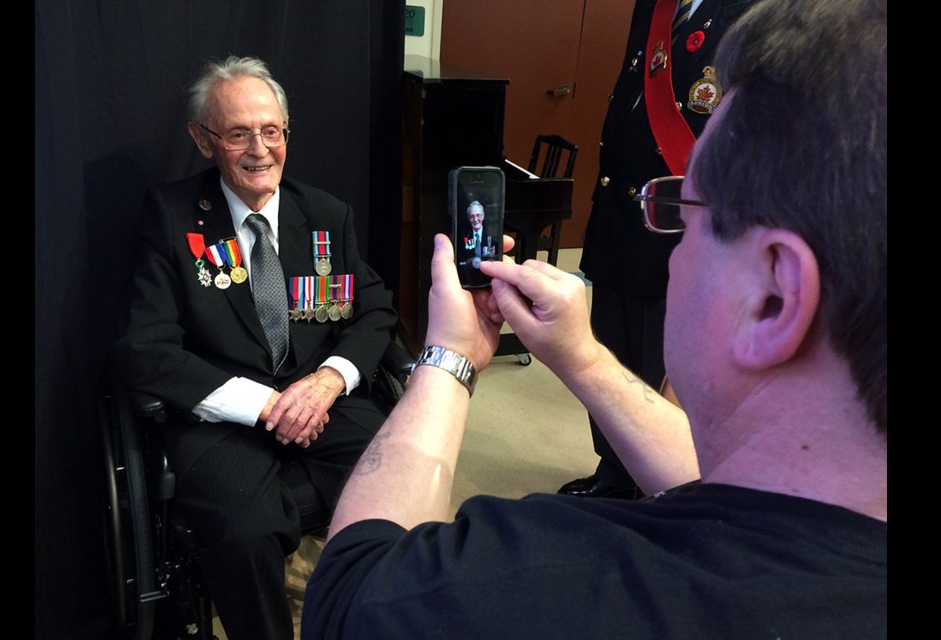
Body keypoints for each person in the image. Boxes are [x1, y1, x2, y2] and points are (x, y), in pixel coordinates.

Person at [300, 0, 887, 636]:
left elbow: (352, 591)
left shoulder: (537, 579)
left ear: (774, 297)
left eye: (681, 213)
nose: (672, 247)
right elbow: (740, 485)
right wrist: (579, 356)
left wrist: (450, 357)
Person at [112, 56, 397, 640]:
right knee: (244, 533)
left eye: (272, 131)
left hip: (324, 403)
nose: (259, 149)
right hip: (223, 414)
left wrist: (328, 381)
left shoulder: (324, 214)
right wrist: (264, 406)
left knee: (401, 486)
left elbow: (375, 310)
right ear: (203, 140)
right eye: (239, 133)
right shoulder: (170, 218)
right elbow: (144, 348)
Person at [568, 0, 759, 499]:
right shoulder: (655, 4)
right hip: (619, 212)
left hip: (675, 225)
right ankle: (613, 472)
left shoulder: (754, 11)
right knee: (610, 351)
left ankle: (658, 488)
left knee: (661, 364)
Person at [457, 200, 497, 286]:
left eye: (478, 215)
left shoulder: (492, 237)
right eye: (472, 216)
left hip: (488, 281)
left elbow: (494, 259)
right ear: (469, 219)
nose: (475, 219)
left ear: (483, 216)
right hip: (467, 281)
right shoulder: (463, 238)